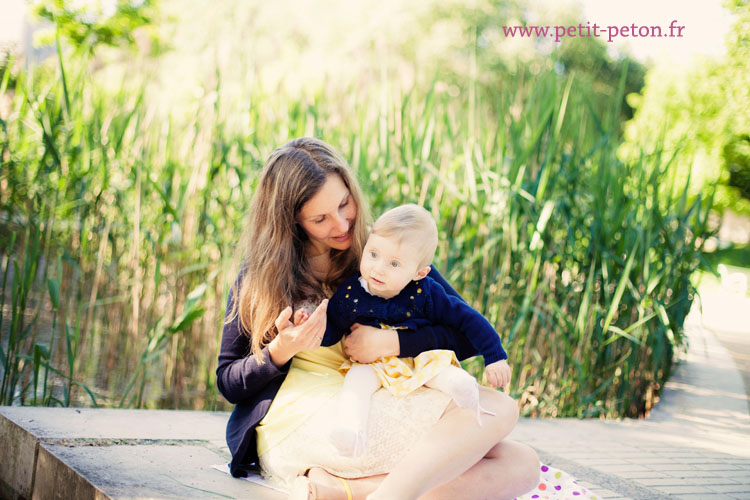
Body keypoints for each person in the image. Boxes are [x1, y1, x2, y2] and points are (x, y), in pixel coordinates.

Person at [216, 137, 540, 500]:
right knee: (498, 410)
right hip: (302, 423)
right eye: (321, 218)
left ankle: (344, 490)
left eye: (344, 204)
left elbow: (465, 331)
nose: (341, 224)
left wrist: (394, 343)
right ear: (292, 220)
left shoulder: (384, 253)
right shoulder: (260, 277)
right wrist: (279, 350)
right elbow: (228, 382)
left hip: (377, 404)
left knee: (522, 465)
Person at [308, 204, 511, 458]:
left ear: (420, 272)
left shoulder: (426, 293)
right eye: (373, 254)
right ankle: (350, 431)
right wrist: (310, 331)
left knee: (443, 373)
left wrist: (494, 356)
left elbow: (468, 319)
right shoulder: (351, 293)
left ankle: (466, 401)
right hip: (374, 365)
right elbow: (334, 327)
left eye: (394, 263)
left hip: (420, 360)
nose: (378, 268)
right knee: (355, 383)